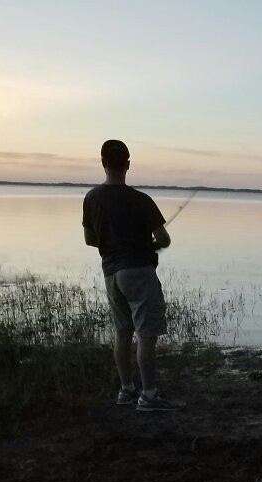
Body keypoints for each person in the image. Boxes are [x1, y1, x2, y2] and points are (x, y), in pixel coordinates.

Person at [83, 139, 185, 411]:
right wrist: (147, 245)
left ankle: (126, 390)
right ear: (128, 164)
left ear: (103, 163)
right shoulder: (141, 200)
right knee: (146, 334)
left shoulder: (91, 198)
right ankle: (149, 396)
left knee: (122, 332)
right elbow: (164, 239)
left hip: (111, 274)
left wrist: (116, 243)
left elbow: (90, 239)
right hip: (138, 271)